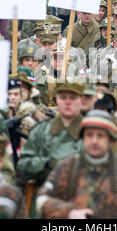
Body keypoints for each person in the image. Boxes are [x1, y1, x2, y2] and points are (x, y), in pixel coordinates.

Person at [35, 109, 117, 219]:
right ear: (83, 138)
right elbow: (42, 200)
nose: (94, 141)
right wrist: (68, 212)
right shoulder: (67, 166)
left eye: (100, 136)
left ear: (110, 140)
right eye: (89, 135)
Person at [17, 82, 85, 217]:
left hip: (81, 200)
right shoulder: (41, 131)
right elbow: (22, 165)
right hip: (45, 201)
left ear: (81, 100)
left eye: (73, 98)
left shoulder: (90, 131)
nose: (67, 102)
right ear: (56, 100)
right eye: (63, 97)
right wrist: (47, 162)